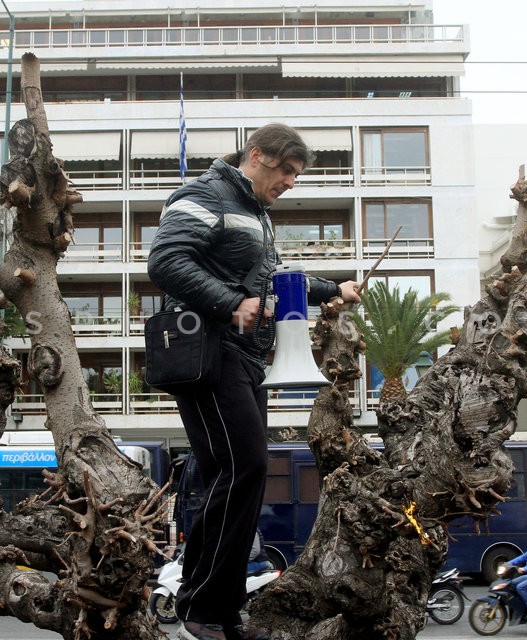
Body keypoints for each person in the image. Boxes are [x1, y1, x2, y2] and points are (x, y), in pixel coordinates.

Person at [148, 123, 360, 640]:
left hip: (243, 358)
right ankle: (203, 608)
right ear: (257, 155)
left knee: (236, 474)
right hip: (209, 352)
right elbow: (166, 261)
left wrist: (334, 288)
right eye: (286, 170)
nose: (291, 182)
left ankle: (216, 609)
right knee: (245, 467)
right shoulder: (205, 194)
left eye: (296, 175)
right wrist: (230, 304)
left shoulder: (256, 215)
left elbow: (274, 282)